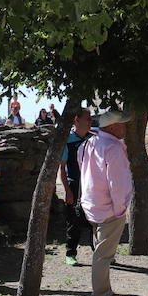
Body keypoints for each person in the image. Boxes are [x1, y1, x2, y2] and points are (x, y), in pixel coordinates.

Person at [78, 108, 133, 296]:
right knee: (103, 254)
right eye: (122, 124)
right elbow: (117, 183)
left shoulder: (90, 142)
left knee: (101, 251)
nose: (125, 127)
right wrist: (120, 209)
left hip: (92, 203)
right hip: (109, 207)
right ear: (112, 127)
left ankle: (105, 291)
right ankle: (101, 295)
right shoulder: (113, 148)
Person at [57, 108, 95, 266]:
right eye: (88, 118)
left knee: (95, 220)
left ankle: (100, 253)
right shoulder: (67, 141)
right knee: (73, 221)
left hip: (92, 185)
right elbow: (62, 168)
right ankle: (70, 253)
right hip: (74, 184)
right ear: (76, 120)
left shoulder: (93, 139)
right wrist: (67, 190)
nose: (90, 122)